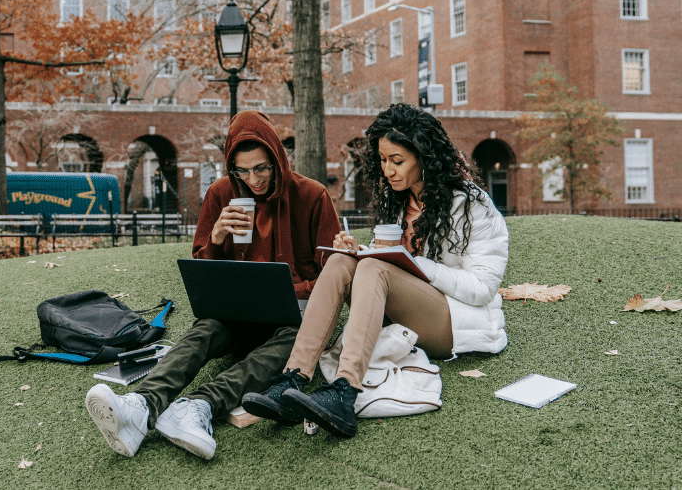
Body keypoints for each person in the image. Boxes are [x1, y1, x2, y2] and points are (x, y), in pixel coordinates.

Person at [85, 110, 340, 460]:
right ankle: (140, 405)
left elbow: (334, 276)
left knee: (294, 340)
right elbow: (204, 273)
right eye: (243, 170)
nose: (254, 179)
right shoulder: (221, 193)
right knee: (205, 328)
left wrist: (292, 290)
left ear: (278, 159)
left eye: (262, 168)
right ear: (230, 167)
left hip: (292, 316)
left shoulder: (312, 196)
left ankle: (199, 406)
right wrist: (217, 237)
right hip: (237, 315)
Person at [242, 103, 509, 438]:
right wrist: (360, 250)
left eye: (397, 161)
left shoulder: (471, 204)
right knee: (342, 261)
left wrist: (409, 264)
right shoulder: (399, 200)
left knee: (373, 269)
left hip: (453, 320)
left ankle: (344, 391)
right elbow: (393, 263)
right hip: (406, 309)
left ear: (425, 157)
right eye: (383, 161)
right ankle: (292, 378)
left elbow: (483, 287)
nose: (388, 170)